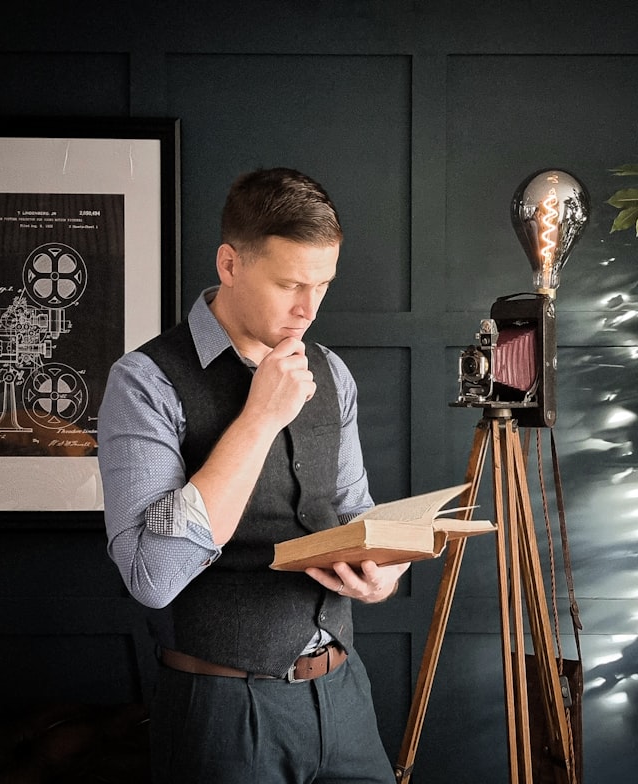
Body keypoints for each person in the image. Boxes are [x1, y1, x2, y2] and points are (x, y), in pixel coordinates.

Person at [97, 167, 410, 784]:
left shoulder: (332, 372)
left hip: (344, 696)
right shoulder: (144, 382)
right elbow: (152, 576)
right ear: (230, 264)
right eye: (290, 284)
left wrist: (382, 575)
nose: (308, 308)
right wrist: (258, 418)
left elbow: (353, 511)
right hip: (221, 713)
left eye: (323, 284)